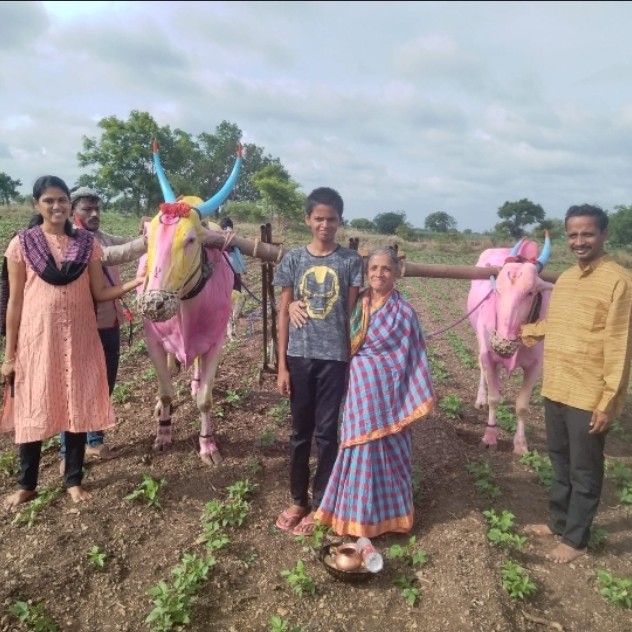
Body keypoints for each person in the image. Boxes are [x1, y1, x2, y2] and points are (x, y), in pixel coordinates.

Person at [0, 176, 143, 509]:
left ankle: (73, 480)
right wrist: (9, 355)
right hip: (37, 340)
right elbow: (15, 303)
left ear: (69, 204)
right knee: (33, 407)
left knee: (76, 406)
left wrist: (138, 281)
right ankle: (27, 484)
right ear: (37, 204)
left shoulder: (85, 245)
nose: (56, 206)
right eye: (49, 200)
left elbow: (99, 292)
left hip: (80, 337)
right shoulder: (21, 245)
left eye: (61, 200)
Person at [521, 204, 632, 563]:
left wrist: (609, 401)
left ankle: (577, 540)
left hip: (588, 394)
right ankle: (558, 523)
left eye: (587, 233)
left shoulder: (620, 282)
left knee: (585, 469)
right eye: (573, 234)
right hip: (556, 386)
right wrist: (524, 334)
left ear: (604, 235)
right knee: (560, 461)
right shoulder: (566, 279)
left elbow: (620, 345)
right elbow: (558, 325)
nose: (579, 241)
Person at [314, 249, 435, 537]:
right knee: (357, 447)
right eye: (374, 268)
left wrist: (406, 391)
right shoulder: (358, 302)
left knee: (388, 449)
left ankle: (389, 516)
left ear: (397, 273)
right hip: (360, 388)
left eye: (386, 269)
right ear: (367, 271)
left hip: (389, 391)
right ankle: (353, 514)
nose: (379, 274)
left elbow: (414, 354)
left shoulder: (404, 312)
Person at [273, 186, 364, 536]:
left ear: (340, 221)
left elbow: (352, 314)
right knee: (299, 432)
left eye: (332, 219)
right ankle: (298, 500)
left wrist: (354, 361)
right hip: (299, 357)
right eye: (319, 219)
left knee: (328, 434)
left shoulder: (350, 262)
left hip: (335, 360)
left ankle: (323, 502)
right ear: (307, 220)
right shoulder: (294, 260)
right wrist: (281, 365)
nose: (325, 225)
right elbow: (283, 313)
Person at [57, 186, 147, 469]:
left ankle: (94, 441)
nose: (94, 214)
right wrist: (149, 241)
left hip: (109, 323)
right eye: (87, 209)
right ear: (73, 211)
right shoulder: (70, 240)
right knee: (76, 388)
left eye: (97, 208)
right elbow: (113, 254)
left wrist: (155, 231)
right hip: (81, 327)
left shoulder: (102, 236)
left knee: (104, 384)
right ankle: (67, 452)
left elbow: (127, 242)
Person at [219, 216, 247, 341]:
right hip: (233, 272)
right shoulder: (231, 237)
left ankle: (231, 326)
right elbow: (239, 256)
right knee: (236, 299)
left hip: (226, 273)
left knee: (231, 299)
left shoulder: (220, 236)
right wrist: (243, 268)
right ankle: (231, 327)